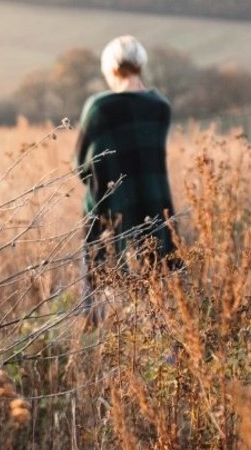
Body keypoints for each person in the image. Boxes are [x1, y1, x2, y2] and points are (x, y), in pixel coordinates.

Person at [75, 35, 178, 306]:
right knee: (158, 296)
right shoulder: (161, 107)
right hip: (155, 209)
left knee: (107, 302)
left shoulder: (99, 108)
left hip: (109, 213)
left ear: (110, 69)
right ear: (140, 65)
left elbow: (82, 166)